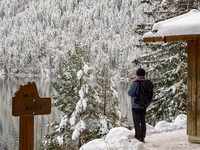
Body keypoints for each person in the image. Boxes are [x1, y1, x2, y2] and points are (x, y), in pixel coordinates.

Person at [128, 68, 147, 143]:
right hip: (144, 105)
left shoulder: (136, 83)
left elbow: (129, 93)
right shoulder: (146, 82)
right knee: (142, 120)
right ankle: (142, 137)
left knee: (136, 121)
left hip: (136, 105)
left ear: (137, 75)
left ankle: (138, 137)